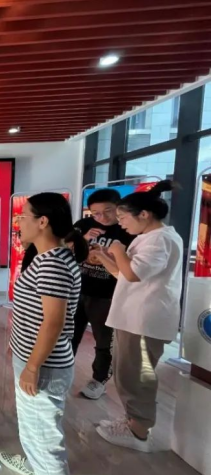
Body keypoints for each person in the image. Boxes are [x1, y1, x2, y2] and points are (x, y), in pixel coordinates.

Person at [0, 193, 87, 475]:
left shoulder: (53, 263)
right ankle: (36, 469)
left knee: (44, 440)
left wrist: (33, 366)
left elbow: (53, 322)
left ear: (43, 221)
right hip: (34, 358)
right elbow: (35, 313)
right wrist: (19, 348)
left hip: (45, 366)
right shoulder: (46, 258)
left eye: (23, 216)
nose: (18, 222)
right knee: (33, 431)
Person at [92, 181, 183, 453]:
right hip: (133, 317)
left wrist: (118, 250)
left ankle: (139, 432)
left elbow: (132, 273)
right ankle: (132, 421)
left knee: (136, 377)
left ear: (144, 214)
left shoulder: (160, 239)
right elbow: (123, 274)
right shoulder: (150, 237)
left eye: (122, 217)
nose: (120, 223)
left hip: (144, 320)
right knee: (127, 373)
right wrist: (105, 257)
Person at [71, 189, 135, 400]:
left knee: (104, 341)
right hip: (77, 290)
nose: (102, 217)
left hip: (107, 295)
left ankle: (98, 380)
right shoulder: (84, 225)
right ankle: (62, 371)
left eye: (108, 210)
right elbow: (66, 249)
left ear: (119, 207)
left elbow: (130, 268)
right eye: (96, 213)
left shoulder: (128, 229)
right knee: (69, 335)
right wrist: (83, 239)